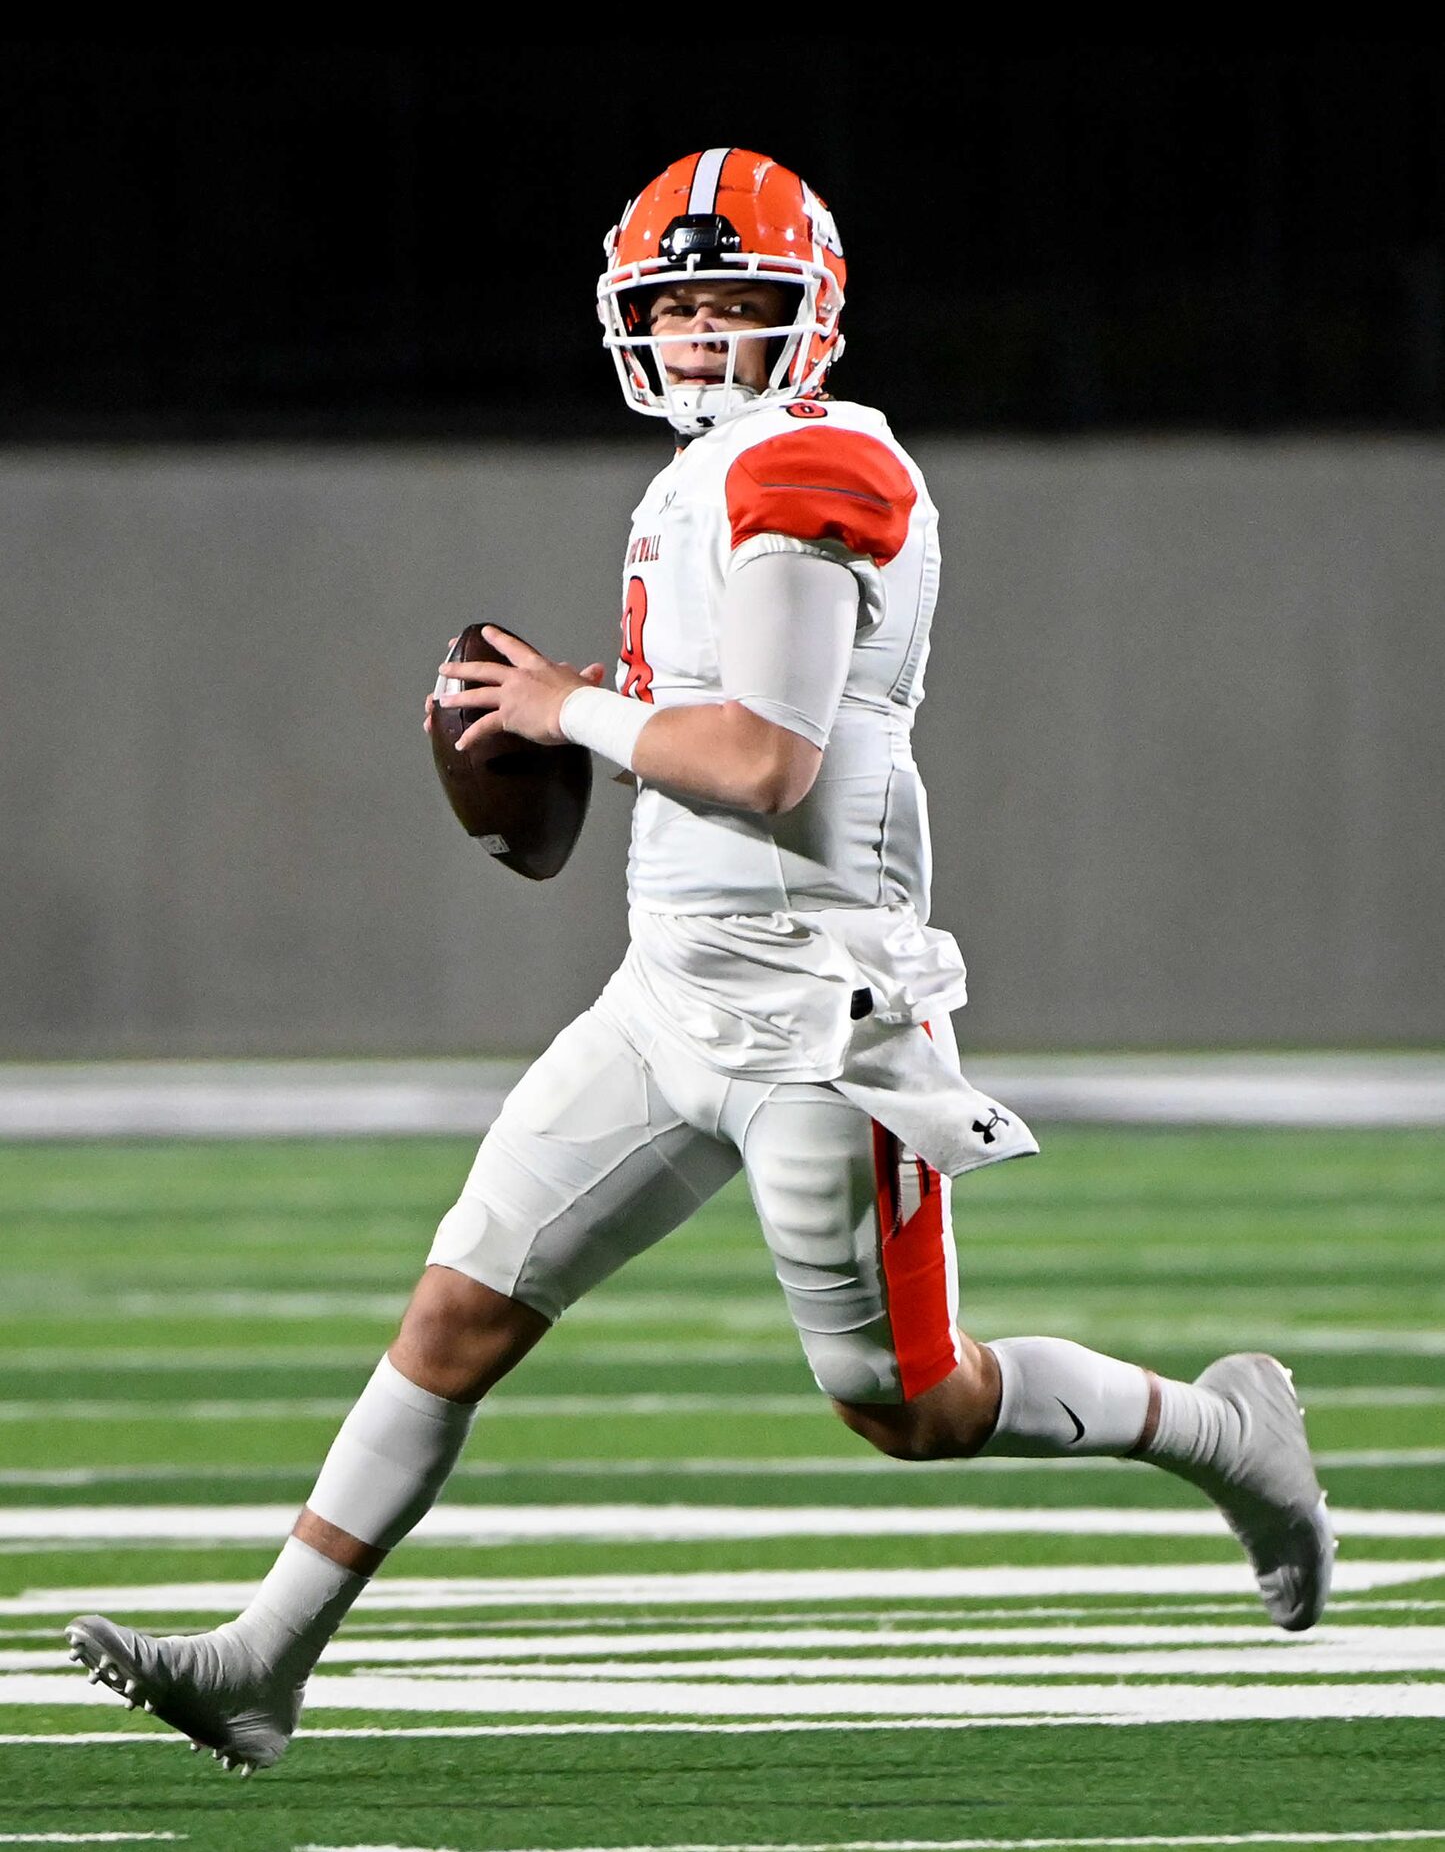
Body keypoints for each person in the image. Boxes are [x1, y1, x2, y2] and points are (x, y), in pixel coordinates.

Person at [66, 148, 1334, 1773]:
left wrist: (566, 713)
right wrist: (594, 690)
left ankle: (1231, 1433)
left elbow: (766, 764)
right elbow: (712, 710)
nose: (704, 337)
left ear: (810, 319)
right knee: (457, 1312)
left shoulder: (813, 465)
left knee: (907, 1404)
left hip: (821, 1012)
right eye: (678, 306)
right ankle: (261, 1661)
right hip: (667, 986)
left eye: (740, 304)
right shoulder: (705, 475)